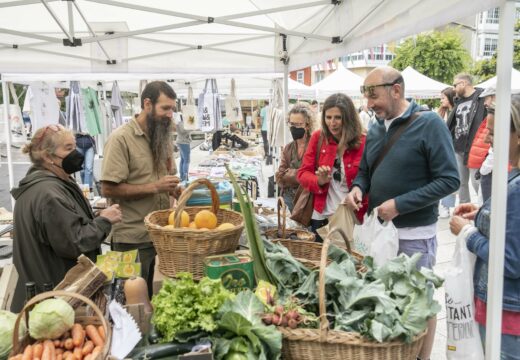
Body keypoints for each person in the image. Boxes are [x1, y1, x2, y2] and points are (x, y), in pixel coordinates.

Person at [344, 66, 460, 360]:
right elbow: (365, 171)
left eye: (374, 96)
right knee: (387, 300)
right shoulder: (375, 127)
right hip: (379, 234)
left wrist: (400, 205)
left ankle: (422, 357)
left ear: (396, 90)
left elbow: (450, 180)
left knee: (420, 304)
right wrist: (358, 187)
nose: (369, 105)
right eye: (365, 97)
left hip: (414, 237)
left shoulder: (430, 124)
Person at [10, 124, 122, 312]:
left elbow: (65, 225)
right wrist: (105, 221)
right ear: (47, 156)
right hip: (55, 296)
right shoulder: (49, 194)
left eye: (74, 146)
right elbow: (74, 243)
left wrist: (96, 217)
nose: (76, 153)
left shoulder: (53, 183)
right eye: (68, 148)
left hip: (50, 291)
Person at [449, 94, 520, 359]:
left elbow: (511, 261)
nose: (486, 138)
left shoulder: (516, 188)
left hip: (507, 315)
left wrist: (467, 233)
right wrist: (483, 213)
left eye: (493, 132)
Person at [100, 81, 181, 296]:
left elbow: (165, 177)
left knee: (158, 302)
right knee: (131, 303)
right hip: (132, 238)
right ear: (147, 104)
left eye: (172, 109)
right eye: (165, 108)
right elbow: (108, 189)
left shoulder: (162, 136)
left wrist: (172, 190)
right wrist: (156, 187)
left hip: (161, 235)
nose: (170, 114)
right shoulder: (120, 139)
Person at [297, 93, 367, 242]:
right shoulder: (318, 138)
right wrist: (319, 180)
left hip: (351, 216)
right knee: (321, 261)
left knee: (348, 262)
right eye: (328, 117)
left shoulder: (363, 142)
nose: (332, 123)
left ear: (348, 118)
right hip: (321, 215)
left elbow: (368, 177)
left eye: (338, 117)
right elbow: (302, 174)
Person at [447, 73, 487, 204]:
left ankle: (484, 210)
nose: (453, 88)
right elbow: (452, 125)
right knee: (460, 183)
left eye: (455, 85)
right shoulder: (458, 101)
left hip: (475, 149)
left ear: (463, 83)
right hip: (458, 148)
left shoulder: (482, 98)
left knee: (477, 183)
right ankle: (463, 212)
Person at [275, 103, 315, 212]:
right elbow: (279, 176)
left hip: (308, 200)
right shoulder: (288, 148)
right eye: (292, 124)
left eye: (298, 124)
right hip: (288, 199)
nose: (294, 128)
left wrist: (291, 173)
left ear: (307, 125)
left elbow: (315, 176)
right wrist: (302, 174)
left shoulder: (315, 145)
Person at [438, 87, 457, 218]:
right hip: (445, 149)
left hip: (454, 149)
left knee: (451, 179)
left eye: (443, 98)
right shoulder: (442, 113)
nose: (440, 101)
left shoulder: (455, 112)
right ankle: (445, 206)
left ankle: (447, 206)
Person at [174, 113, 192, 182]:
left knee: (183, 160)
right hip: (184, 142)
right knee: (187, 161)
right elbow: (183, 131)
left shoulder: (178, 121)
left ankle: (182, 176)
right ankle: (185, 177)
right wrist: (191, 127)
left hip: (181, 141)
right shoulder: (180, 122)